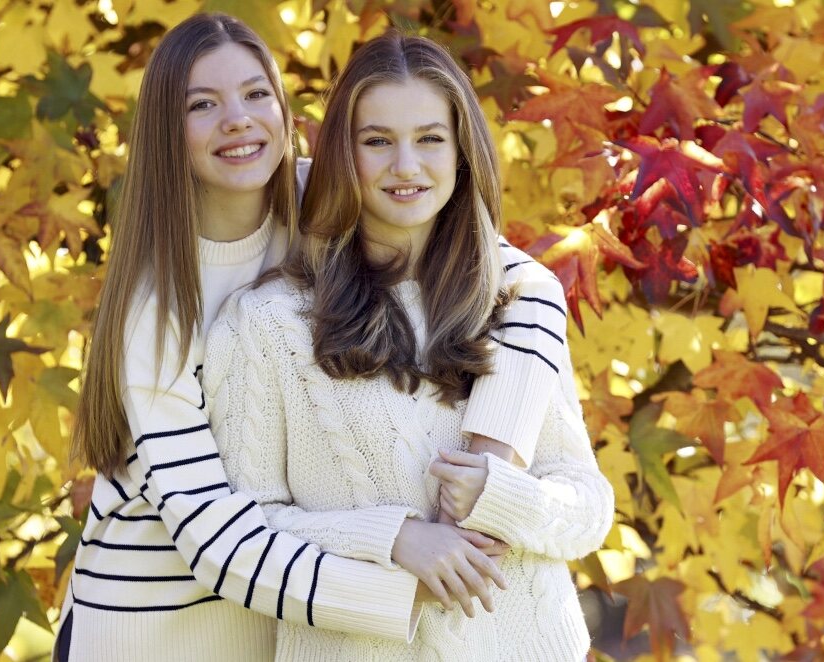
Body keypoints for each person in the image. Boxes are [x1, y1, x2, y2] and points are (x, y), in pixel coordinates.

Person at [56, 13, 570, 662]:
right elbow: (215, 538)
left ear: (285, 109)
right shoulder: (158, 313)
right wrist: (406, 565)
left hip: (283, 627)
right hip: (153, 630)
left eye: (255, 94)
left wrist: (491, 456)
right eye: (203, 104)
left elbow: (517, 279)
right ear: (166, 133)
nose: (237, 119)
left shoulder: (328, 197)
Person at [204, 31, 614, 662]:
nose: (406, 166)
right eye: (377, 142)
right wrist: (398, 540)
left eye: (429, 139)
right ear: (344, 154)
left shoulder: (515, 306)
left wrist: (504, 497)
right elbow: (248, 536)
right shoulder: (268, 326)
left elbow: (587, 507)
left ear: (461, 152)